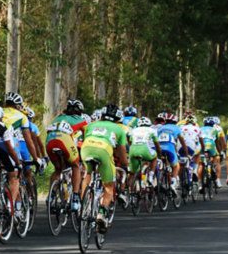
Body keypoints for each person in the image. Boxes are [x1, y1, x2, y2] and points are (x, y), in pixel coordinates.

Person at [79, 103, 129, 233]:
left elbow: (86, 138)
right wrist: (125, 165)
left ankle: (84, 203)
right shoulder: (119, 130)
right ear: (118, 118)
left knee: (88, 173)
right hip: (104, 151)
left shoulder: (91, 125)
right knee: (109, 187)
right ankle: (101, 213)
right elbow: (122, 153)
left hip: (86, 149)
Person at [1, 92, 44, 215]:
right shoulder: (22, 116)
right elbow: (30, 141)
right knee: (15, 176)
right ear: (18, 105)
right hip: (12, 146)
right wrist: (36, 158)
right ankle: (13, 207)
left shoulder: (0, 112)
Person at [46, 99, 90, 211]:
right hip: (64, 140)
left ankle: (51, 197)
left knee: (58, 169)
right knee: (75, 165)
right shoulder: (80, 120)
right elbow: (87, 136)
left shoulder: (57, 117)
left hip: (50, 140)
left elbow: (48, 131)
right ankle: (75, 198)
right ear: (80, 111)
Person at [127, 117, 162, 191]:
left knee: (132, 173)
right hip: (145, 149)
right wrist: (159, 153)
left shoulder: (134, 130)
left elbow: (129, 141)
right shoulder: (152, 130)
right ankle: (151, 176)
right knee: (154, 157)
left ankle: (128, 192)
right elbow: (156, 144)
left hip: (133, 150)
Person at [155, 111, 184, 191]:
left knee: (163, 164)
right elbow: (182, 141)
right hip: (170, 148)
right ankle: (173, 183)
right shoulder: (177, 128)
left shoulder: (161, 128)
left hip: (159, 148)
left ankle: (158, 180)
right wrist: (186, 151)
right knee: (176, 166)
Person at [198, 116, 226, 191]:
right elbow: (217, 142)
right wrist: (220, 152)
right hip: (211, 146)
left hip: (201, 146)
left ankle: (200, 183)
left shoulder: (199, 129)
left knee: (201, 164)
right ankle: (217, 180)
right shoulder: (215, 129)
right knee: (217, 160)